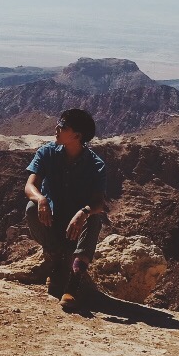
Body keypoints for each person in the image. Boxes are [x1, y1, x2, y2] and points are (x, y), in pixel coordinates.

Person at [23, 107, 108, 311]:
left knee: (94, 217)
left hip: (75, 228)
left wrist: (83, 212)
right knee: (31, 208)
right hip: (50, 221)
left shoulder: (96, 165)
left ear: (77, 135)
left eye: (63, 126)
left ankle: (74, 281)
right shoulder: (47, 152)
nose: (56, 128)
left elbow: (99, 203)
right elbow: (29, 186)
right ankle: (56, 258)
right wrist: (41, 198)